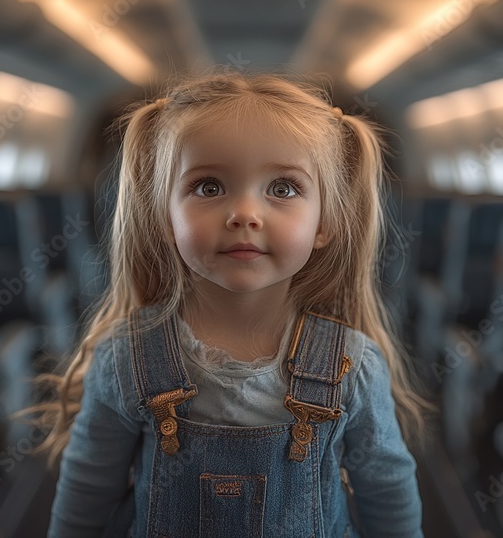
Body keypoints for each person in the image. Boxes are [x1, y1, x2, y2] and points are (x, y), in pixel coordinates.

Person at [35, 73, 429, 537]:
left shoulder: (353, 365)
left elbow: (387, 496)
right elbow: (86, 497)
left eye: (282, 189)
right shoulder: (125, 358)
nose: (244, 213)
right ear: (164, 215)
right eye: (208, 187)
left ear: (325, 222)